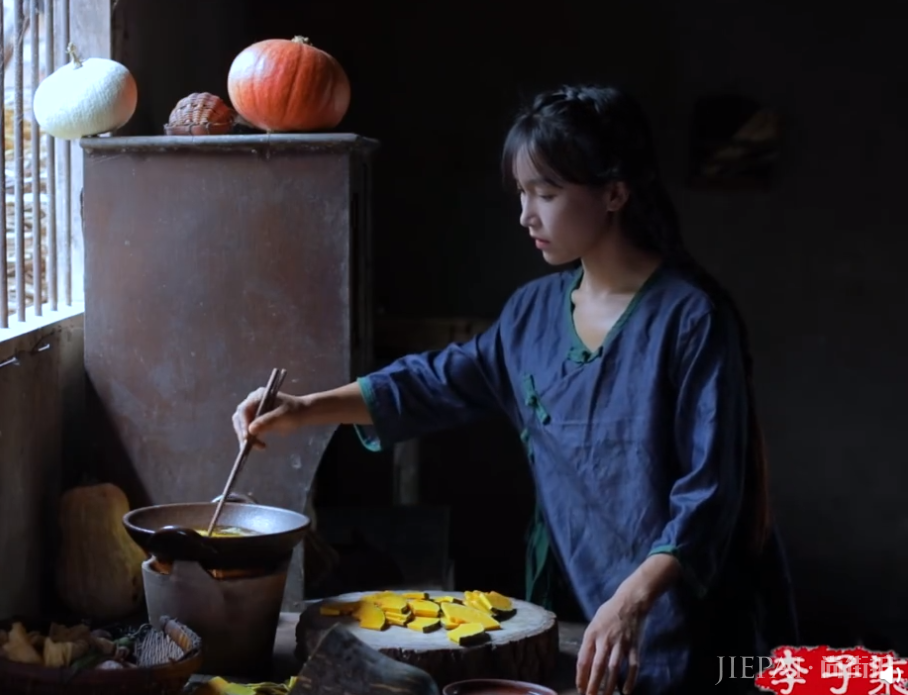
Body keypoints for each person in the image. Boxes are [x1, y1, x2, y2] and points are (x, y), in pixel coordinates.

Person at [231, 84, 799, 694]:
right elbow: (435, 381)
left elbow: (710, 495)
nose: (527, 215)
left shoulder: (691, 318)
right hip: (583, 609)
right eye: (522, 193)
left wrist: (633, 600)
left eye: (546, 194)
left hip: (689, 622)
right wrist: (304, 408)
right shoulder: (533, 313)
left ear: (615, 193)